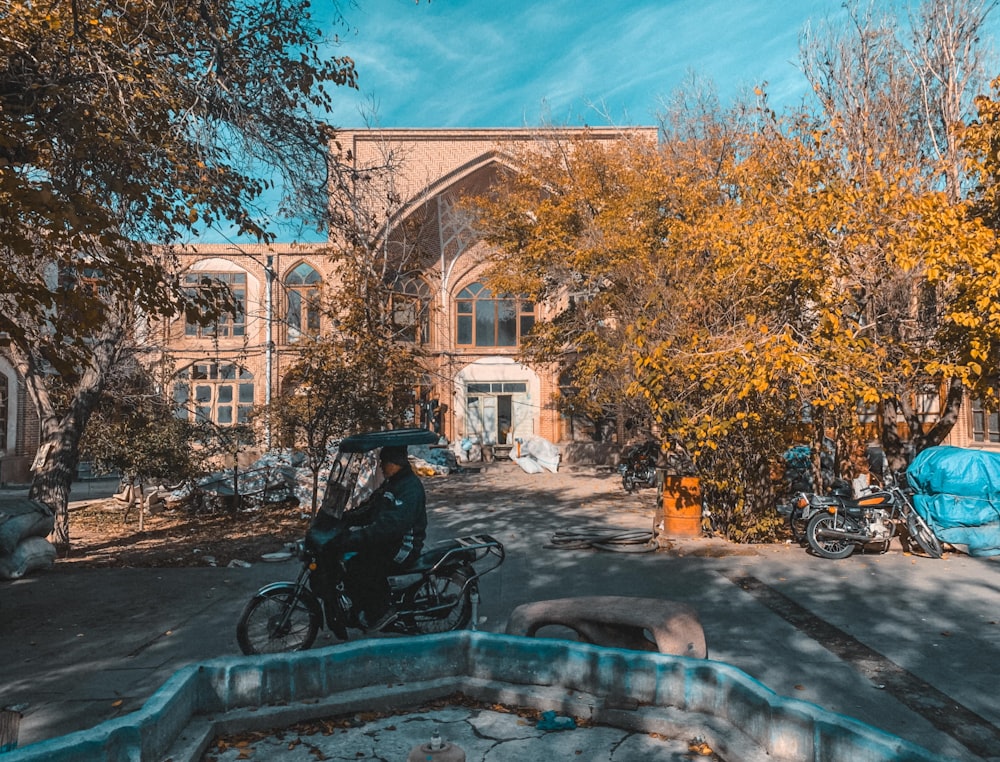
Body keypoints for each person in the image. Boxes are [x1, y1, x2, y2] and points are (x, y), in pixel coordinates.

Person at [337, 444, 428, 631]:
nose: (380, 466)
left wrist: (358, 536)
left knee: (364, 566)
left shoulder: (410, 487)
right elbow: (371, 508)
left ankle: (381, 612)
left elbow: (391, 526)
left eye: (383, 462)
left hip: (405, 544)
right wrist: (345, 518)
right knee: (350, 562)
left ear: (395, 463)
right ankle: (362, 607)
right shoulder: (392, 484)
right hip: (390, 539)